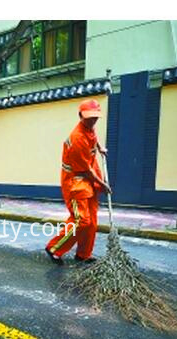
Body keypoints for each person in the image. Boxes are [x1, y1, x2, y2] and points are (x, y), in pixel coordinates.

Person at [45, 99, 112, 265]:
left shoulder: (90, 128)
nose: (93, 120)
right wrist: (103, 185)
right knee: (81, 220)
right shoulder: (77, 139)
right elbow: (85, 171)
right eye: (89, 118)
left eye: (95, 117)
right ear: (80, 116)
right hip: (75, 181)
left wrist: (100, 148)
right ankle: (54, 248)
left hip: (88, 178)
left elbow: (93, 137)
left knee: (92, 221)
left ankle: (83, 254)